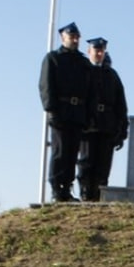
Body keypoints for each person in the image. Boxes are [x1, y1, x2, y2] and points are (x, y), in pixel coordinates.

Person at [39, 21, 92, 202]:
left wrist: (88, 114)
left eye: (77, 37)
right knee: (60, 151)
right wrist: (51, 109)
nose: (75, 40)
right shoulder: (53, 59)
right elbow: (46, 86)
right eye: (72, 37)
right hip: (61, 111)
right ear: (63, 37)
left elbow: (90, 91)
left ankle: (66, 189)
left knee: (72, 153)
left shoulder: (84, 63)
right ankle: (56, 188)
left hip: (78, 113)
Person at [77, 37, 129, 201]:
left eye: (102, 50)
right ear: (89, 51)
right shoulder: (83, 72)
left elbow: (121, 105)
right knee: (86, 163)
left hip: (107, 127)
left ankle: (99, 195)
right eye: (96, 50)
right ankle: (86, 194)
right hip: (88, 126)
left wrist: (122, 131)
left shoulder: (112, 76)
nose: (99, 53)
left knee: (103, 165)